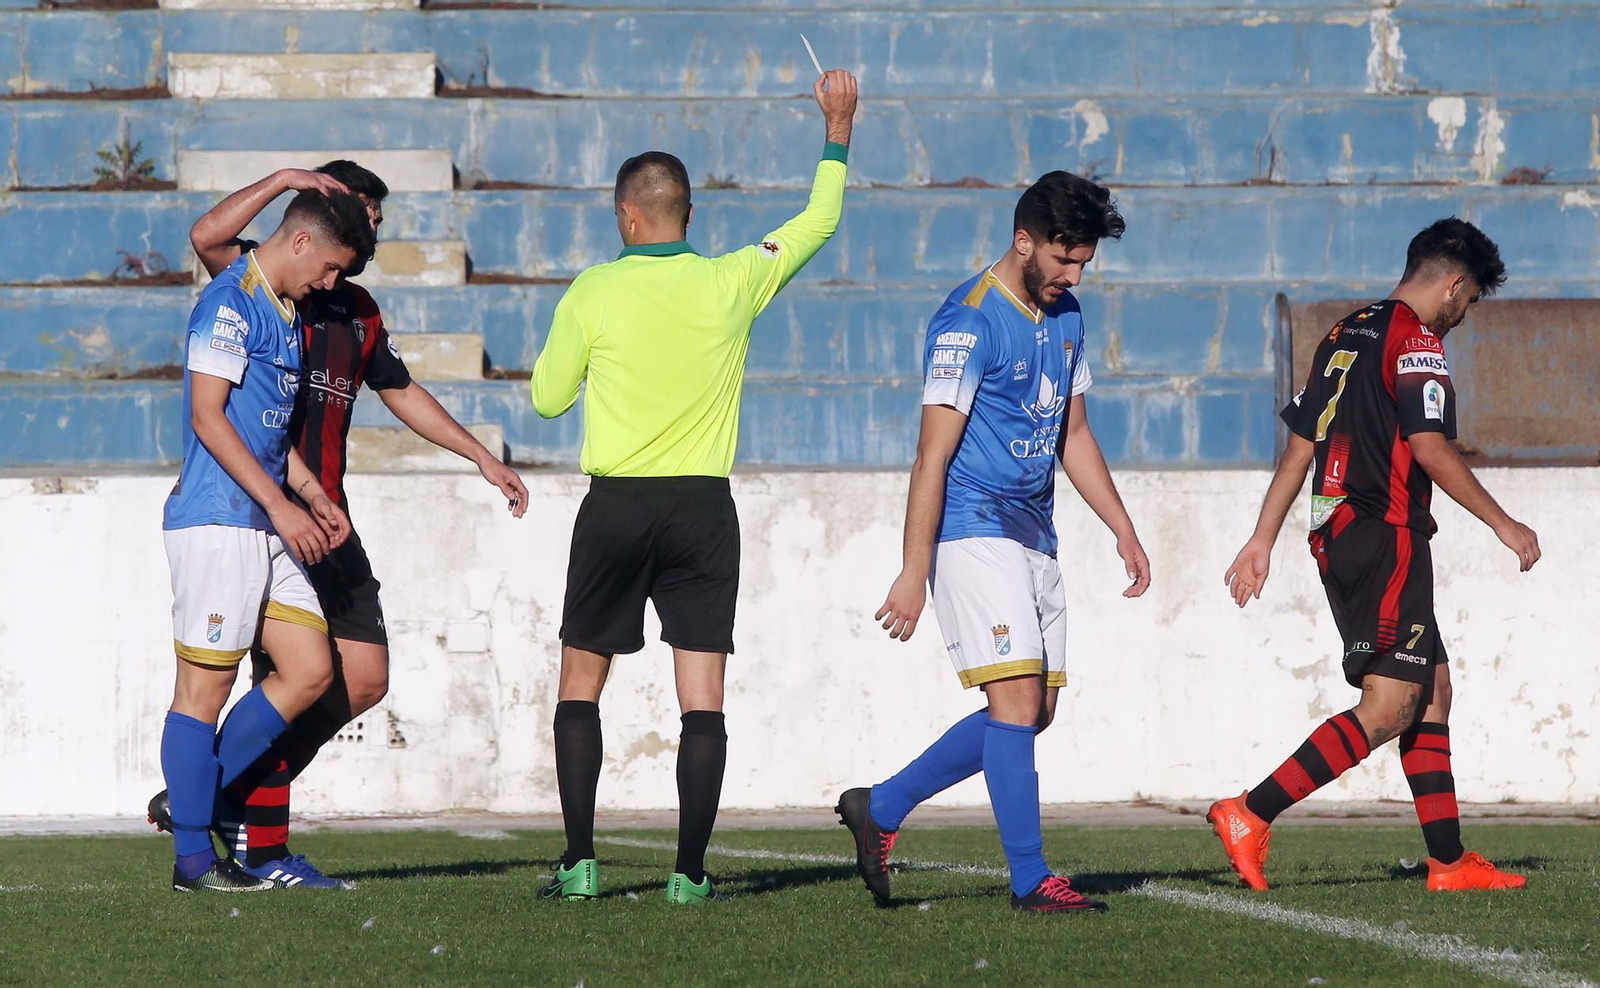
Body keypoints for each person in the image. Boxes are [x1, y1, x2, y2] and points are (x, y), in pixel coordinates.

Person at [148, 161, 529, 889]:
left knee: (341, 675)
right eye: (356, 220)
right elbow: (213, 404)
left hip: (307, 515)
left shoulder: (337, 306)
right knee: (217, 683)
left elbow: (381, 397)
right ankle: (228, 850)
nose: (368, 235)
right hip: (236, 515)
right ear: (309, 227)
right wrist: (282, 176)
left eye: (375, 222)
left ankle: (205, 797)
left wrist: (478, 456)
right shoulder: (252, 293)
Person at [530, 69, 859, 904]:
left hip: (617, 504)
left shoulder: (595, 288)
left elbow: (545, 397)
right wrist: (837, 126)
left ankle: (579, 862)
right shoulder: (732, 280)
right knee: (701, 695)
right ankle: (688, 874)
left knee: (581, 680)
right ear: (688, 216)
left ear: (626, 216)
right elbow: (819, 220)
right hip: (703, 508)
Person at [836, 171, 1150, 913]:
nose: (1074, 276)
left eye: (1084, 264)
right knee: (1012, 702)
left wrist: (1122, 526)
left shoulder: (1066, 315)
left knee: (1033, 709)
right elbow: (931, 456)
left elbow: (1073, 432)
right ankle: (1031, 879)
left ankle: (880, 808)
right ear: (1024, 241)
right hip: (973, 528)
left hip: (1034, 532)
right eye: (1065, 260)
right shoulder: (967, 322)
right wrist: (915, 570)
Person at [1207, 217, 1539, 892]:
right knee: (1390, 705)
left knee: (1434, 689)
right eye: (1469, 302)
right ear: (1452, 285)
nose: (1463, 317)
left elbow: (1300, 447)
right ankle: (1249, 812)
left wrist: (1263, 538)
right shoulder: (1416, 344)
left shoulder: (1344, 333)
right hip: (1385, 532)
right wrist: (1503, 522)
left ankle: (1448, 863)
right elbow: (1430, 447)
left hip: (1340, 530)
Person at [160, 188, 374, 891]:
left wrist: (311, 498)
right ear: (303, 242)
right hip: (221, 522)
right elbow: (209, 417)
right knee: (204, 689)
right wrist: (283, 509)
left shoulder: (284, 318)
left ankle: (202, 802)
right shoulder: (230, 302)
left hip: (267, 519)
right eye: (334, 268)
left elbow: (271, 435)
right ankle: (194, 861)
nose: (333, 284)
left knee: (311, 669)